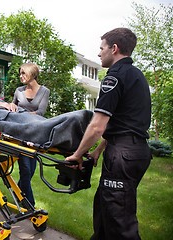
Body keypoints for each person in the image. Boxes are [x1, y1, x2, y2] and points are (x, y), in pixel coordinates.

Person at [65, 28, 151, 240]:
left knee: (120, 225)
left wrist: (77, 154)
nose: (98, 53)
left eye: (101, 48)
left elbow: (97, 126)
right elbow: (121, 121)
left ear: (114, 49)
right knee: (105, 211)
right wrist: (96, 152)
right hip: (136, 151)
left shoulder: (115, 77)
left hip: (122, 156)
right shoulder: (137, 75)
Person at [12, 63, 50, 207]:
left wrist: (21, 114)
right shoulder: (18, 91)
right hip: (20, 134)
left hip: (35, 134)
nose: (21, 76)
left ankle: (17, 192)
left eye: (23, 73)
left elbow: (40, 113)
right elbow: (12, 108)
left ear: (32, 73)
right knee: (25, 171)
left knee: (30, 171)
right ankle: (30, 206)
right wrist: (13, 108)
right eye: (20, 73)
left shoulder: (44, 91)